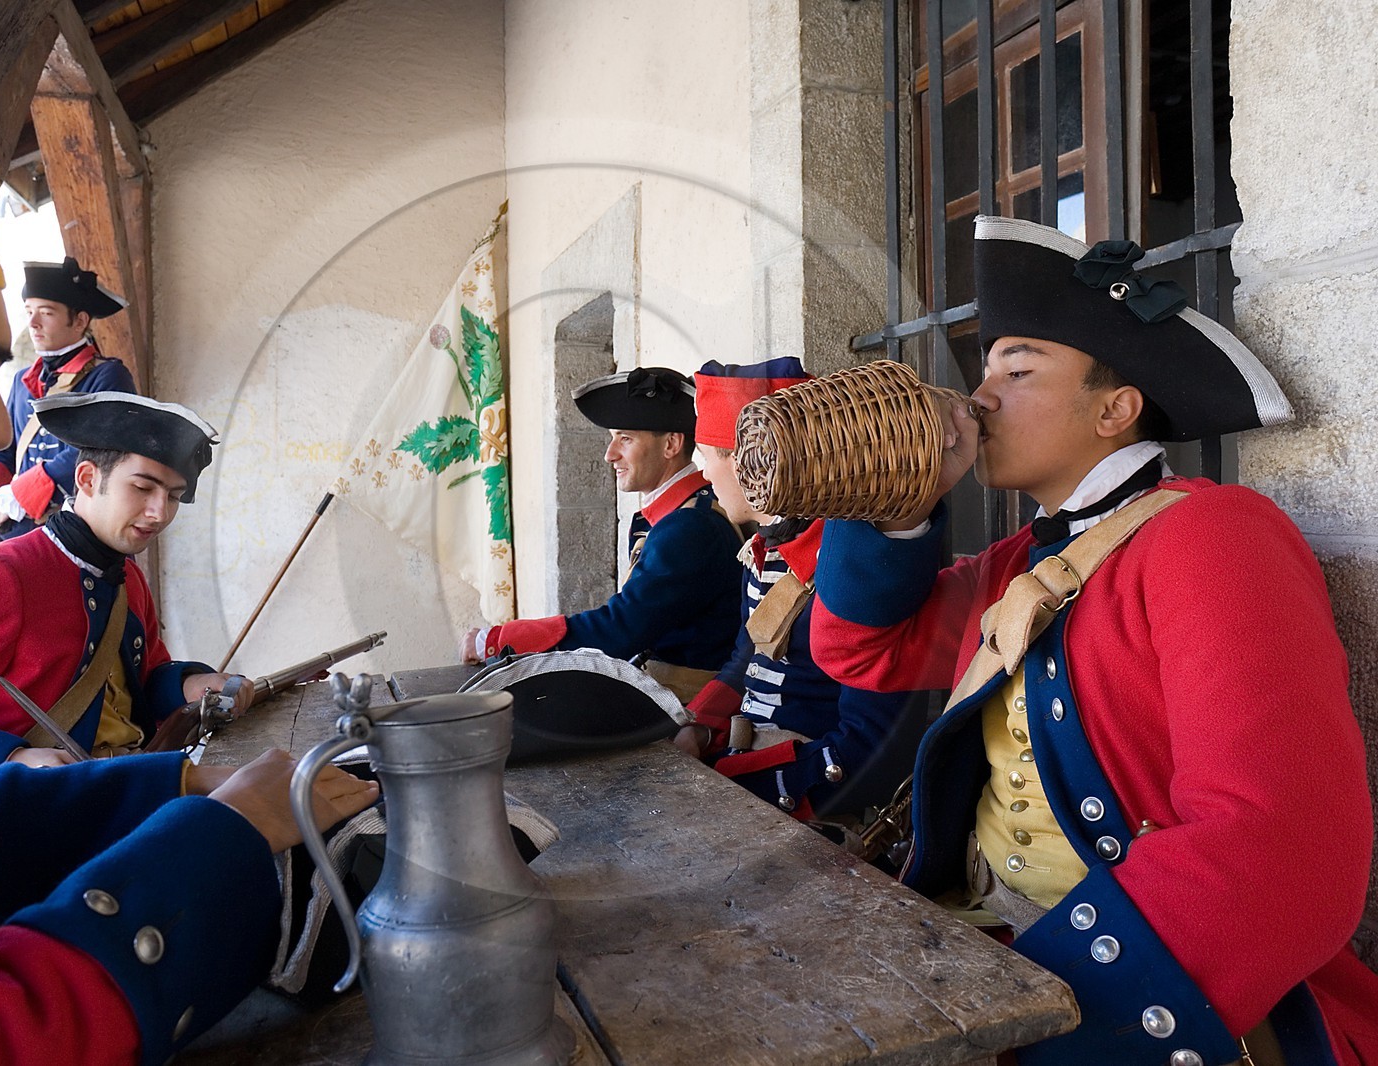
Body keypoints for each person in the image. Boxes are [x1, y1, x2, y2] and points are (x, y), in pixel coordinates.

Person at [0, 90, 376, 1064]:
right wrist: (205, 834)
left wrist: (183, 765)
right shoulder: (0, 580)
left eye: (174, 496)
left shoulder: (122, 584)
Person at [809, 215, 1378, 1063]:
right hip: (987, 945)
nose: (980, 398)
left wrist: (1031, 1029)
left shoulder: (1214, 535)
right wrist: (898, 504)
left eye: (1017, 369)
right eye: (984, 370)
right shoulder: (1018, 564)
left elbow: (1280, 851)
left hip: (1133, 992)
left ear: (1115, 409)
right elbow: (864, 651)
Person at [0, 390, 258, 776]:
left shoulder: (129, 579)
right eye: (142, 488)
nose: (160, 512)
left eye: (173, 496)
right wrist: (10, 759)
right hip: (35, 805)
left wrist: (191, 684)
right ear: (87, 479)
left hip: (128, 781)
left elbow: (141, 682)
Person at [670, 358, 909, 820]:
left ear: (750, 462)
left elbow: (868, 739)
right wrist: (698, 728)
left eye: (709, 456)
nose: (704, 476)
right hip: (747, 755)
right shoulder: (766, 547)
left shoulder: (853, 562)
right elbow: (749, 657)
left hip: (807, 790)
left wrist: (751, 788)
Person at [460, 366, 743, 701]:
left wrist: (497, 640)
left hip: (688, 706)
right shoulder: (682, 513)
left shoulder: (690, 527)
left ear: (671, 444)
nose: (610, 454)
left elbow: (619, 630)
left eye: (625, 438)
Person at [0, 256, 138, 541]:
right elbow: (6, 446)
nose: (33, 323)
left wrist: (21, 493)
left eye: (46, 313)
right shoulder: (23, 381)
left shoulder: (109, 377)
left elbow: (101, 450)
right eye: (29, 312)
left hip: (77, 531)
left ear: (80, 321)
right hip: (18, 528)